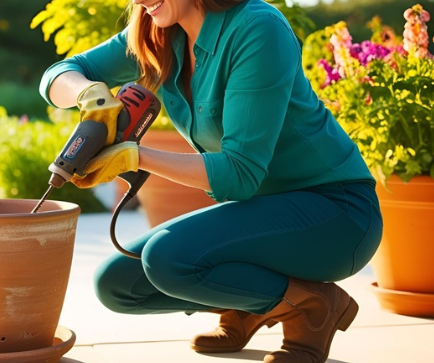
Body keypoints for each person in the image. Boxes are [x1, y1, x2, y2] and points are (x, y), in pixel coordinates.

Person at [38, 0, 383, 362]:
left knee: (168, 258)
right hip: (259, 214)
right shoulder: (156, 30)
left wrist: (135, 157)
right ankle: (250, 304)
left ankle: (310, 306)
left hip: (334, 213)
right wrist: (87, 93)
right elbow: (60, 72)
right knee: (117, 283)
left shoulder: (257, 28)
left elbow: (240, 174)